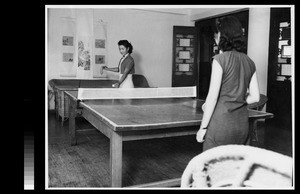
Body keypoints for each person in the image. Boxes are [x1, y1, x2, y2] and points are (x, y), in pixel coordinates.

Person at [196, 16, 260, 151]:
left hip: (221, 125)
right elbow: (255, 97)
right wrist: (236, 100)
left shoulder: (220, 60)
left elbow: (212, 97)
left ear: (223, 36)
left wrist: (203, 128)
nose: (215, 38)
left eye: (217, 35)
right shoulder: (250, 61)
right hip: (242, 125)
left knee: (212, 166)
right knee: (235, 165)